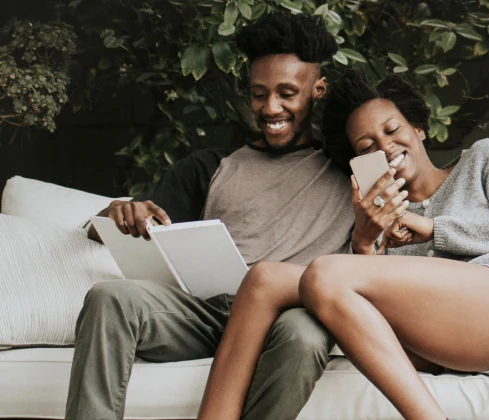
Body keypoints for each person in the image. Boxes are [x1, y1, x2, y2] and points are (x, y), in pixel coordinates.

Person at [197, 68, 489, 420]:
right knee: (263, 279)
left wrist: (432, 228)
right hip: (445, 344)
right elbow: (354, 307)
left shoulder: (481, 160)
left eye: (393, 130)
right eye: (367, 147)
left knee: (323, 273)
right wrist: (365, 241)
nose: (385, 147)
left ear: (419, 128)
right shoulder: (376, 219)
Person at [65, 13, 355, 420]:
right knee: (109, 297)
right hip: (206, 313)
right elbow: (96, 232)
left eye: (288, 93)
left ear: (318, 90)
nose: (271, 108)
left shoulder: (349, 168)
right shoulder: (210, 166)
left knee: (305, 335)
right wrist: (118, 210)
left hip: (287, 319)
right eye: (259, 94)